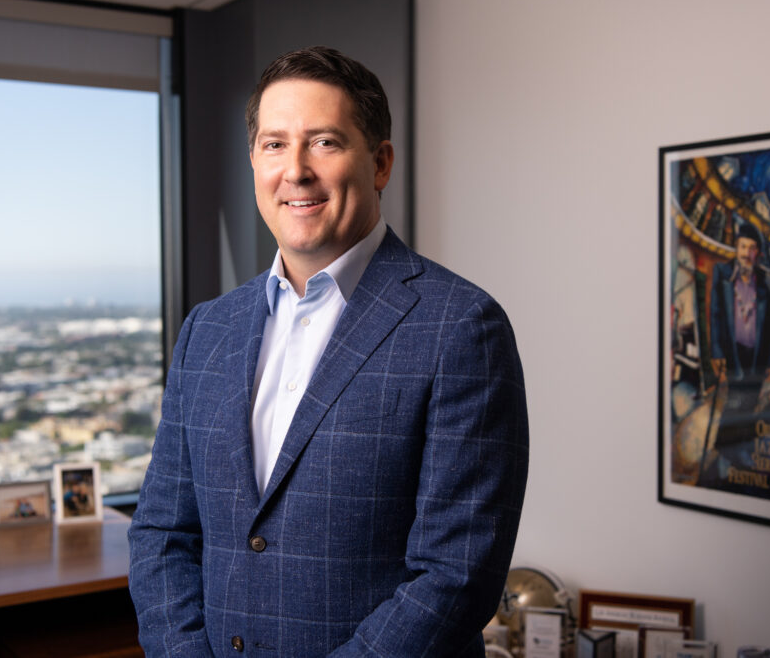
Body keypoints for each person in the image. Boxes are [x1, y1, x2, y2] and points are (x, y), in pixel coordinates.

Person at [128, 46, 529, 657]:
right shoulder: (207, 330)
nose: (295, 170)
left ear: (381, 163)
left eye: (324, 142)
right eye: (274, 144)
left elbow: (455, 578)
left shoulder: (462, 328)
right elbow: (162, 532)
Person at [702, 221, 770, 487]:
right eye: (743, 246)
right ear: (736, 247)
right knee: (735, 399)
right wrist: (717, 352)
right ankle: (725, 450)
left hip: (756, 353)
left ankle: (737, 449)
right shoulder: (722, 272)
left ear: (758, 253)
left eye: (752, 248)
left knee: (750, 399)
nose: (747, 253)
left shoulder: (765, 281)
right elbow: (715, 315)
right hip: (733, 351)